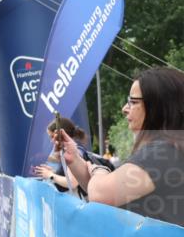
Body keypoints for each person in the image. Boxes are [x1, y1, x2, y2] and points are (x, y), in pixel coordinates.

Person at [55, 67, 184, 226]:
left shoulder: (163, 152)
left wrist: (99, 170)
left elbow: (101, 194)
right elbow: (104, 191)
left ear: (158, 106)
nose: (124, 108)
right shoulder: (170, 148)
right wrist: (74, 159)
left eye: (133, 101)